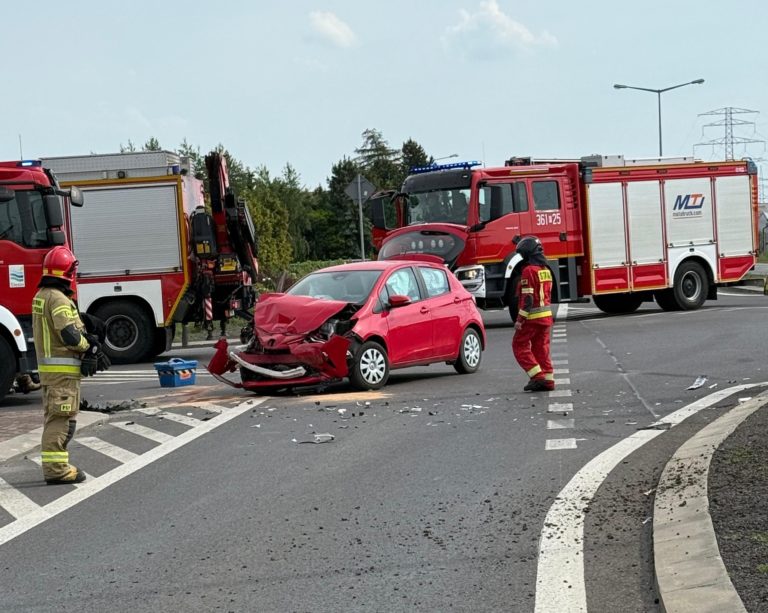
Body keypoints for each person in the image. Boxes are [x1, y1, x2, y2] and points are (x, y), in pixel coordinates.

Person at [32, 246, 110, 485]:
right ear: (68, 271)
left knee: (58, 419)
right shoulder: (57, 298)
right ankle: (56, 470)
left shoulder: (43, 295)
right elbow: (69, 334)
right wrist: (89, 347)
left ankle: (57, 466)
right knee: (61, 421)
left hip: (53, 374)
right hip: (62, 374)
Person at [512, 236, 555, 393]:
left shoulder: (528, 271)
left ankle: (537, 377)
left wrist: (520, 320)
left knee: (519, 345)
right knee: (541, 349)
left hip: (532, 319)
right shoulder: (546, 271)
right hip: (546, 319)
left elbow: (528, 299)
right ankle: (548, 381)